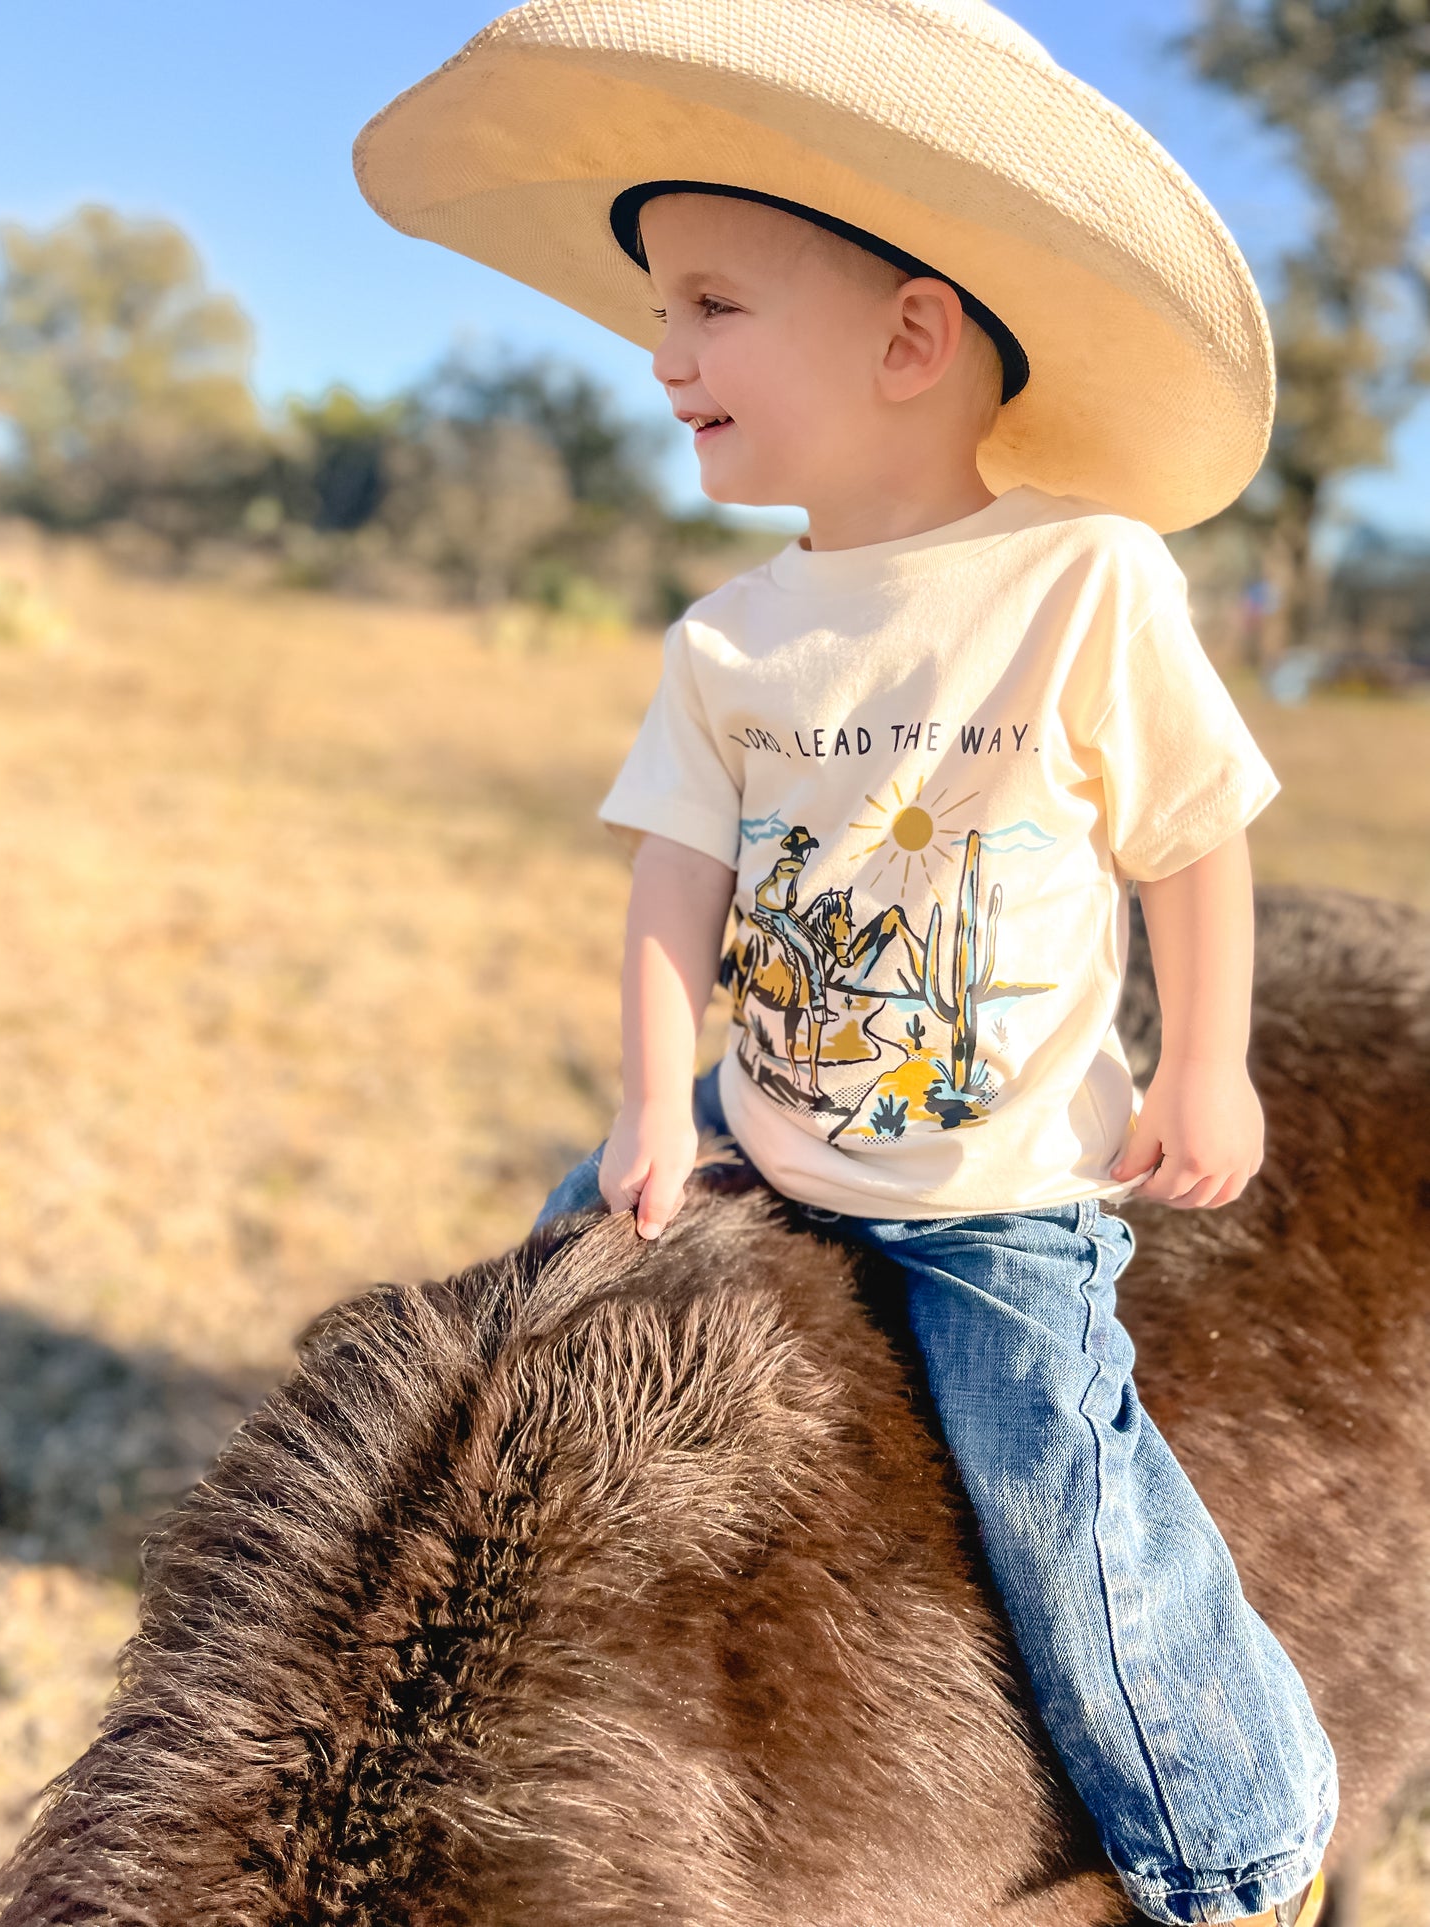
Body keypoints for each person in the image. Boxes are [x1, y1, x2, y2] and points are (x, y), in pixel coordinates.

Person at [354, 6, 1337, 1921]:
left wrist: (1208, 1062)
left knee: (1059, 1499)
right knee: (499, 1333)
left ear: (912, 336)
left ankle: (1233, 1835)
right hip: (759, 1129)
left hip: (986, 1199)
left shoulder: (1082, 579)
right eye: (656, 314)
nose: (660, 356)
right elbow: (671, 897)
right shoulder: (731, 640)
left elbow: (1189, 834)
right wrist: (654, 1109)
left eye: (710, 305)